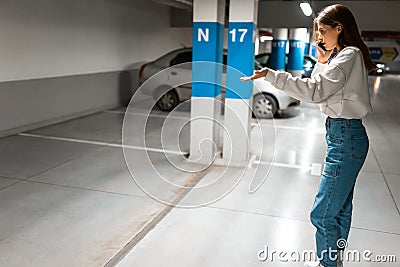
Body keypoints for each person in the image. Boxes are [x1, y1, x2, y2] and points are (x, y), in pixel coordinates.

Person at [241, 4, 376, 267]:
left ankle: (328, 263)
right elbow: (320, 89)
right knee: (338, 210)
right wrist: (323, 61)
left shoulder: (349, 55)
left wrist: (272, 75)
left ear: (340, 28)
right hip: (343, 134)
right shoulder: (342, 57)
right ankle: (332, 262)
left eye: (324, 31)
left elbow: (314, 92)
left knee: (322, 213)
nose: (320, 37)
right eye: (318, 32)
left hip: (345, 136)